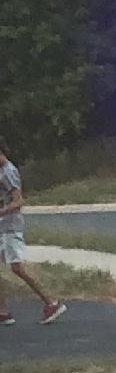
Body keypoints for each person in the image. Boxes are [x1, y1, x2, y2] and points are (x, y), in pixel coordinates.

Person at [0, 138, 66, 326]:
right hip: (2, 226)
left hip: (10, 226)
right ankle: (3, 312)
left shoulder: (9, 172)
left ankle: (52, 302)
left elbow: (19, 202)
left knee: (17, 268)